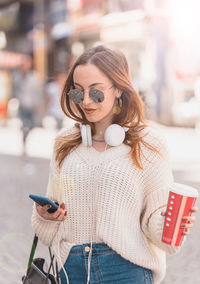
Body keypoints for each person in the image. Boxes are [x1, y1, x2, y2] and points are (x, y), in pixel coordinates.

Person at [31, 45, 197, 284]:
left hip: (126, 271)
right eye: (77, 93)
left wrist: (173, 221)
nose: (86, 101)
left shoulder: (148, 143)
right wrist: (47, 216)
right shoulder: (63, 145)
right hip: (72, 271)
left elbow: (158, 230)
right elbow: (49, 229)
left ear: (119, 89)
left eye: (96, 93)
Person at [12, 56, 44, 146]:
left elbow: (39, 92)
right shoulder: (17, 77)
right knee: (23, 123)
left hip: (32, 105)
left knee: (33, 124)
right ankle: (24, 137)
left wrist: (39, 105)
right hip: (22, 105)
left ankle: (25, 134)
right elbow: (14, 90)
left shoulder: (34, 77)